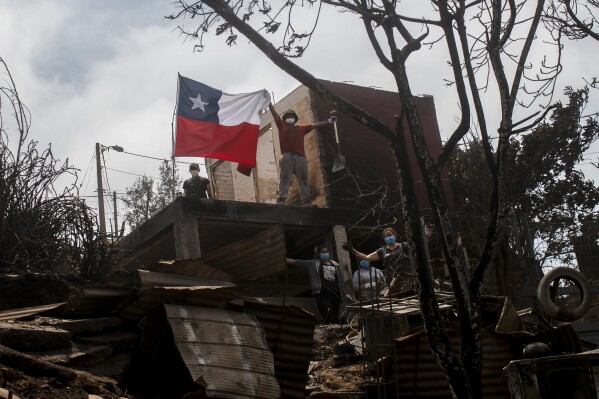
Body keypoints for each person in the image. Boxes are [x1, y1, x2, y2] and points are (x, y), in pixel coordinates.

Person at [269, 104, 335, 206]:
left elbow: (314, 125)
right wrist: (269, 103)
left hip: (300, 158)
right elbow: (274, 114)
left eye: (291, 117)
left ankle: (306, 201)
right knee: (285, 177)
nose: (289, 118)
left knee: (303, 178)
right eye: (288, 117)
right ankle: (281, 200)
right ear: (285, 118)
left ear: (295, 119)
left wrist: (328, 121)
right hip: (286, 157)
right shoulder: (281, 126)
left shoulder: (301, 129)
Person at [343, 227, 414, 294]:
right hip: (392, 280)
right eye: (386, 236)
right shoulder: (382, 251)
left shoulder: (404, 245)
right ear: (384, 239)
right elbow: (366, 257)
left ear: (395, 236)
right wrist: (353, 250)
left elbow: (415, 253)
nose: (388, 237)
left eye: (390, 235)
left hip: (407, 278)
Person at [286, 244, 342, 324]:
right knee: (326, 311)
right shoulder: (313, 264)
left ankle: (336, 327)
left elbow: (340, 279)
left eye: (327, 252)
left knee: (335, 311)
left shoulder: (335, 264)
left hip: (335, 292)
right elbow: (297, 262)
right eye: (323, 252)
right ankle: (331, 327)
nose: (325, 253)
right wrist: (284, 259)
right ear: (319, 254)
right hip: (321, 293)